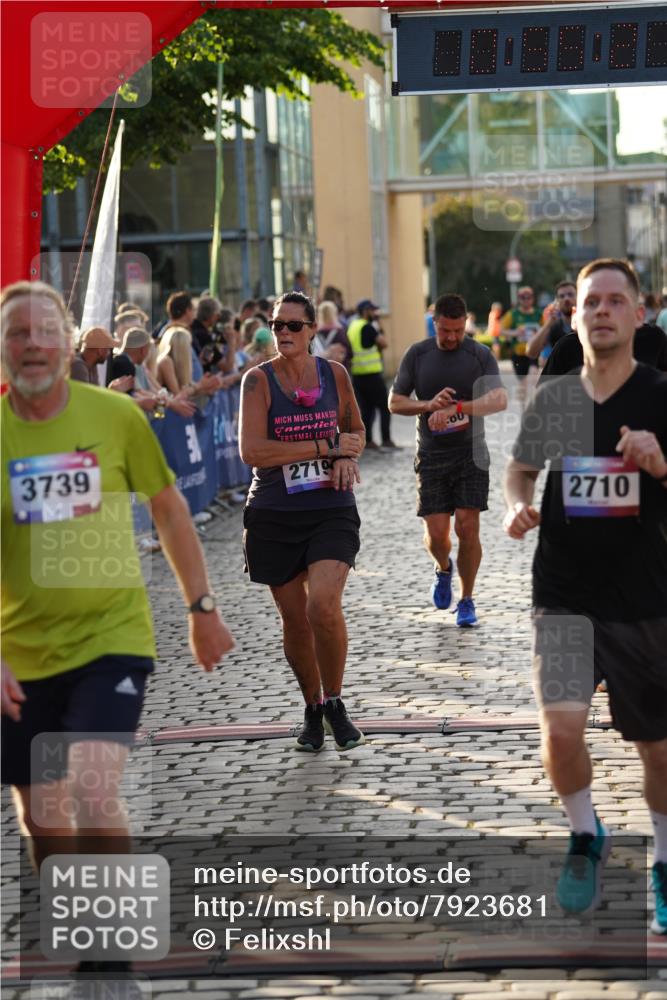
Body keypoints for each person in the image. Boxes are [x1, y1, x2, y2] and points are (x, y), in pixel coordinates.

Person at [0, 281, 234, 886]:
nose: (33, 345)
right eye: (18, 334)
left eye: (46, 332)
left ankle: (109, 925)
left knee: (92, 788)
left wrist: (201, 608)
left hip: (111, 637)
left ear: (67, 344)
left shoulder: (114, 416)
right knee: (43, 818)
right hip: (19, 653)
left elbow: (170, 510)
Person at [503, 258, 667, 933]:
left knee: (658, 750)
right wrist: (515, 504)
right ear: (573, 318)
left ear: (637, 315)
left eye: (614, 301)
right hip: (564, 589)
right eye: (590, 302)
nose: (601, 310)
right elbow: (519, 470)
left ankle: (663, 860)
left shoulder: (660, 394)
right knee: (560, 730)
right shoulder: (556, 399)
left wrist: (660, 462)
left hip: (645, 595)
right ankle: (584, 832)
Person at [239, 291, 365, 753]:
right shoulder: (257, 381)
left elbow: (354, 431)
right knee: (295, 621)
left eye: (294, 325)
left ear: (313, 330)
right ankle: (312, 707)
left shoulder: (335, 375)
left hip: (330, 508)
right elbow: (253, 451)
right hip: (274, 513)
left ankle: (335, 701)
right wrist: (323, 448)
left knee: (323, 606)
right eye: (277, 325)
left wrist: (346, 455)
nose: (284, 333)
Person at [389, 293, 508, 627]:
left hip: (471, 453)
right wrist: (428, 406)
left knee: (467, 528)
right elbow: (395, 402)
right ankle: (443, 568)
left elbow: (499, 400)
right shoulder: (418, 354)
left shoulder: (479, 355)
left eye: (458, 330)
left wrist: (457, 408)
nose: (453, 337)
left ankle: (467, 599)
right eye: (445, 331)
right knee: (438, 535)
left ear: (466, 323)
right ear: (435, 323)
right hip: (431, 455)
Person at [347, 299, 399, 451]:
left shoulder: (353, 326)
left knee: (366, 409)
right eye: (372, 310)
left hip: (357, 375)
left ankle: (368, 440)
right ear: (365, 311)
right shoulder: (368, 326)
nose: (374, 313)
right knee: (384, 407)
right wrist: (378, 325)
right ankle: (386, 439)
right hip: (372, 374)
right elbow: (384, 343)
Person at [539, 319, 667, 380]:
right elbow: (544, 407)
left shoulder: (653, 338)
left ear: (638, 311)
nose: (603, 309)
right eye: (593, 302)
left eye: (615, 301)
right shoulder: (568, 347)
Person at [501, 286, 543, 401]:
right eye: (523, 297)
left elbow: (545, 329)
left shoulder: (539, 314)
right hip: (518, 353)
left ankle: (534, 402)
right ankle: (524, 406)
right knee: (523, 383)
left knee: (534, 376)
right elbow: (502, 331)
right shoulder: (512, 314)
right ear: (519, 299)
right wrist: (515, 332)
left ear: (532, 298)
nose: (526, 300)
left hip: (533, 352)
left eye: (528, 297)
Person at [526, 281, 576, 361]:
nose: (566, 299)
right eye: (562, 296)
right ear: (557, 301)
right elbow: (531, 353)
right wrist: (548, 324)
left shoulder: (587, 323)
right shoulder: (553, 326)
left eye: (570, 295)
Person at [313, 300, 351, 368]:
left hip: (322, 369)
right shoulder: (340, 332)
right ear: (334, 313)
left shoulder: (315, 333)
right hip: (339, 368)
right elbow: (350, 353)